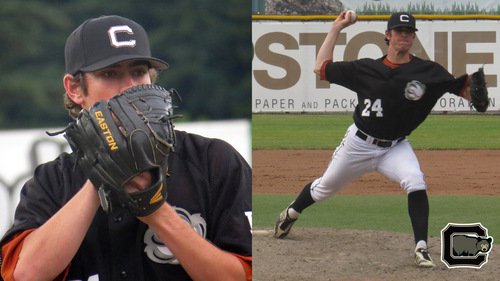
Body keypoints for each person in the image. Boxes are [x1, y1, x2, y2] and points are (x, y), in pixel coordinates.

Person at [0, 15, 252, 280]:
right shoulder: (53, 180)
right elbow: (23, 274)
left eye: (138, 72)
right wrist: (99, 179)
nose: (130, 87)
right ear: (75, 88)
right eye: (110, 74)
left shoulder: (213, 161)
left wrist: (155, 210)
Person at [273, 11, 482, 268]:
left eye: (409, 32)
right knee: (323, 188)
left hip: (395, 147)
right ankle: (291, 213)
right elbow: (320, 68)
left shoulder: (429, 72)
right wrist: (336, 28)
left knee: (415, 181)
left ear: (413, 37)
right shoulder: (366, 69)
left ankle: (421, 248)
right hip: (358, 144)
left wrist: (473, 93)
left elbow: (461, 88)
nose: (404, 36)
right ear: (388, 35)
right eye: (399, 31)